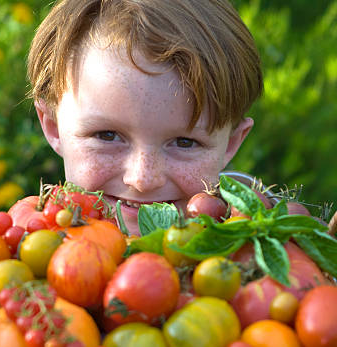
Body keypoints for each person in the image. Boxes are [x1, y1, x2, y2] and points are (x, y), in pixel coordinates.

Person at [27, 0, 263, 236]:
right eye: (107, 136)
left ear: (231, 143)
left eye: (184, 142)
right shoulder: (17, 253)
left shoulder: (263, 254)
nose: (143, 180)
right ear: (54, 127)